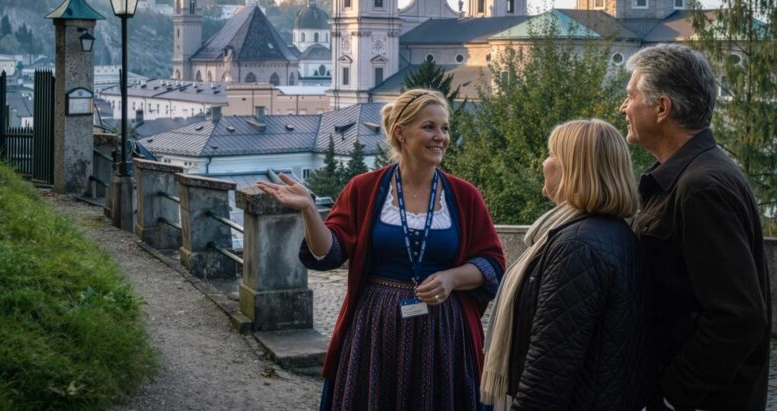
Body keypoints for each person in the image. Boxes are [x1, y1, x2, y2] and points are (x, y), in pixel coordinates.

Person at [257, 88, 505, 410]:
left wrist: (453, 279)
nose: (440, 137)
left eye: (444, 128)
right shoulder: (365, 188)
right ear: (401, 133)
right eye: (429, 127)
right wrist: (309, 210)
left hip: (444, 334)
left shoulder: (464, 195)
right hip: (376, 330)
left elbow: (492, 263)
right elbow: (330, 253)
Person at [620, 44, 771, 411]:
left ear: (662, 108)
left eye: (630, 97)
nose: (623, 108)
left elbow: (737, 316)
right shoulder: (695, 174)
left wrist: (674, 394)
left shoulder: (702, 187)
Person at [481, 119, 649, 411]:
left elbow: (549, 368)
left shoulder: (577, 247)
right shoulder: (614, 233)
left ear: (573, 169)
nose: (545, 163)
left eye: (552, 154)